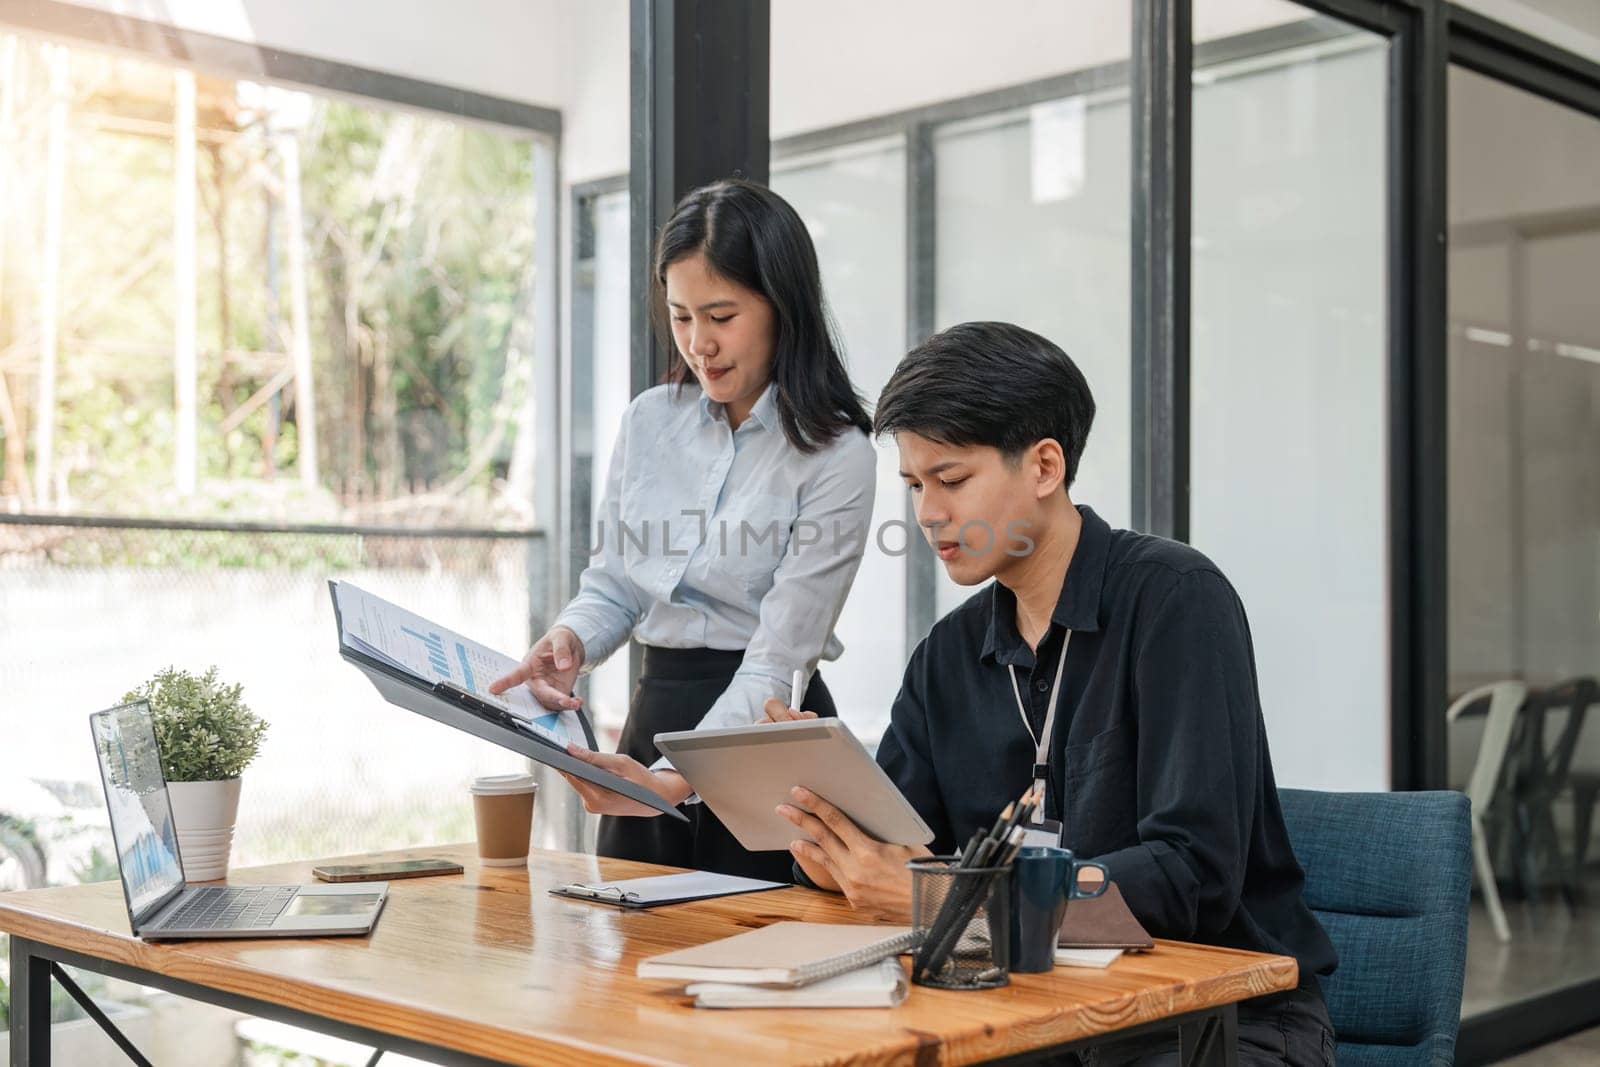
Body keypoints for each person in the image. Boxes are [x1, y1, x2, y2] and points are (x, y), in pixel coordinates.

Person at [762, 321, 1337, 1065]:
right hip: (1031, 1016)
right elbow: (903, 854)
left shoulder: (1176, 601)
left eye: (952, 478)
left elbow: (1191, 875)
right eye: (913, 485)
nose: (928, 512)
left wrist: (934, 896)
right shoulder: (947, 656)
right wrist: (830, 840)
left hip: (1214, 1019)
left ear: (1043, 466)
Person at [490, 179, 876, 883]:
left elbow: (774, 663)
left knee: (763, 965)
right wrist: (570, 640)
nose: (700, 343)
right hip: (657, 714)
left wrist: (674, 777)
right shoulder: (649, 420)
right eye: (680, 316)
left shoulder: (838, 453)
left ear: (781, 306)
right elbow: (614, 582)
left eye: (722, 315)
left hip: (767, 741)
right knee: (633, 966)